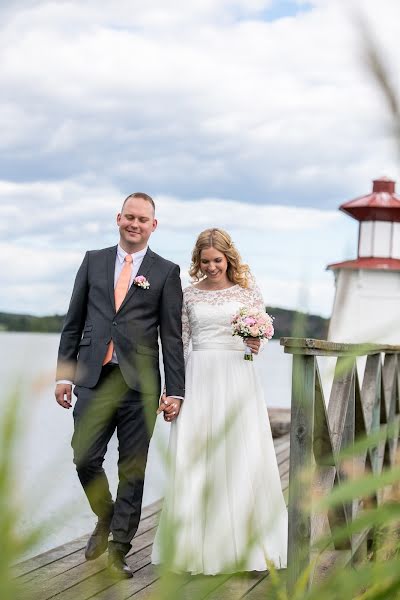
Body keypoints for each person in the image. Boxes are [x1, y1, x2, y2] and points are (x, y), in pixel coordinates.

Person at [55, 192, 185, 579]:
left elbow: (172, 336)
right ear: (118, 218)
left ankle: (120, 548)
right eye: (129, 216)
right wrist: (64, 374)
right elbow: (73, 321)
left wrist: (175, 390)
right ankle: (105, 513)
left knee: (133, 468)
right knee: (84, 456)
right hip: (93, 377)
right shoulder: (93, 261)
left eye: (142, 219)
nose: (135, 224)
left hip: (140, 386)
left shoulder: (166, 271)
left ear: (153, 225)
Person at [152, 228, 287, 575]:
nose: (211, 267)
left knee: (241, 453)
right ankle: (194, 547)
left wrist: (256, 344)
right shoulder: (189, 295)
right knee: (198, 456)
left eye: (217, 260)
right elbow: (179, 344)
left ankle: (243, 545)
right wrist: (173, 390)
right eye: (205, 261)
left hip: (237, 376)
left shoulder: (247, 291)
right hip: (198, 376)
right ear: (197, 261)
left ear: (228, 258)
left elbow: (257, 335)